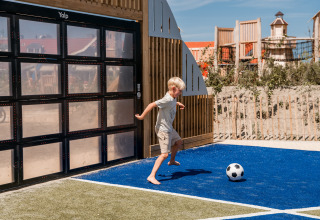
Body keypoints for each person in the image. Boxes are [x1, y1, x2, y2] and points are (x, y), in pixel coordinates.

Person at [135, 77, 186, 185]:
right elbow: (151, 105)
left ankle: (172, 161)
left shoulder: (173, 97)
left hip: (169, 128)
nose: (181, 93)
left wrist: (178, 103)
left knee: (178, 142)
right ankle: (151, 176)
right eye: (180, 91)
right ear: (173, 89)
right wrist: (142, 117)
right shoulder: (167, 99)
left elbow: (172, 103)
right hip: (163, 130)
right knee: (164, 154)